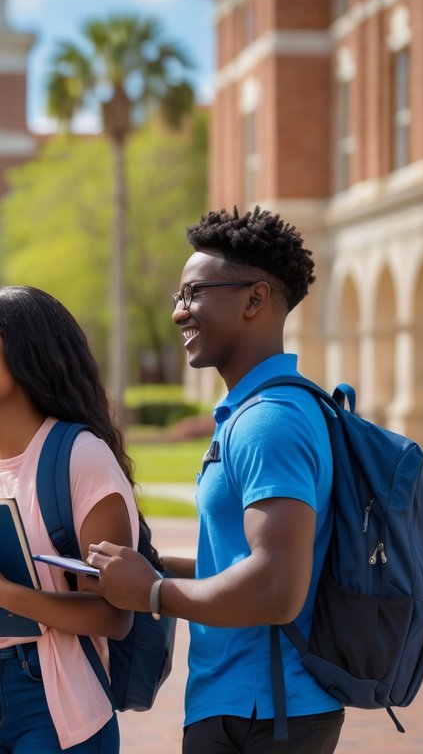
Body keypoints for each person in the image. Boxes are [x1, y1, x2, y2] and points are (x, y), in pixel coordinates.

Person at [88, 206, 344, 752]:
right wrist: (145, 565)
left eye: (194, 294)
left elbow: (276, 590)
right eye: (179, 297)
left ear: (255, 300)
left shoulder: (267, 420)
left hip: (263, 709)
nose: (180, 313)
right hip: (251, 703)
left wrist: (152, 592)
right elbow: (243, 559)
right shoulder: (261, 410)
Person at [0, 285, 140, 753]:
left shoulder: (81, 457)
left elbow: (114, 615)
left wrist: (0, 592)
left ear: (25, 350)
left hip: (55, 700)